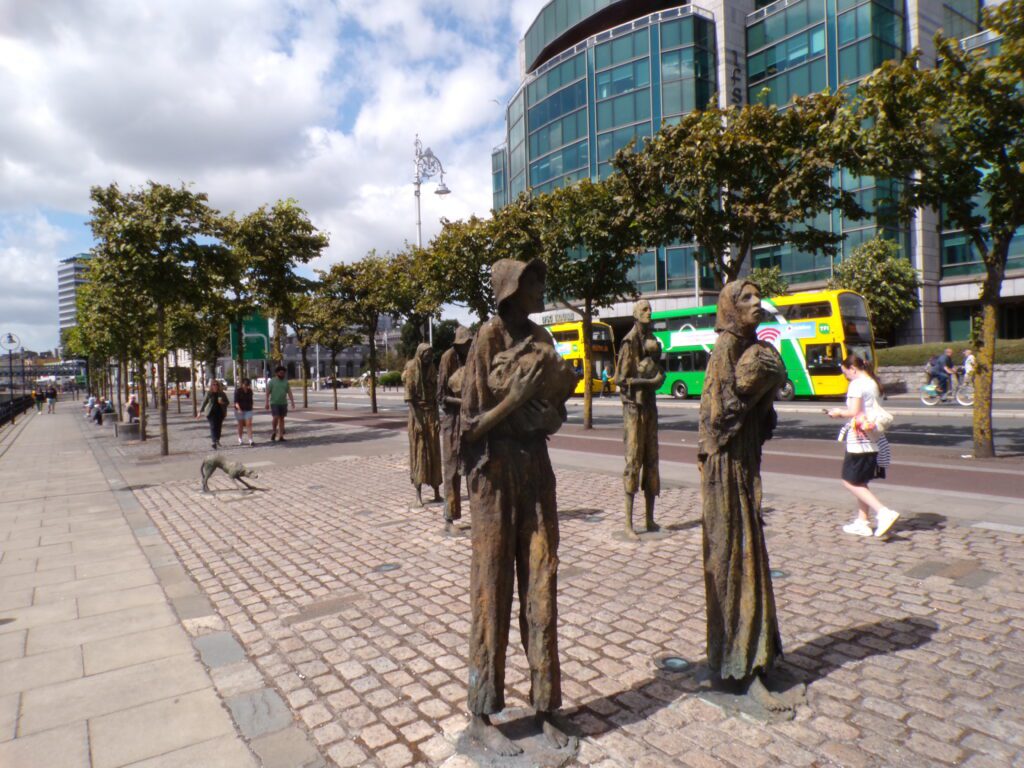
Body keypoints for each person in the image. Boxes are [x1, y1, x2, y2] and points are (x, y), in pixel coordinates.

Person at [460, 258, 576, 756]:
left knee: (541, 585)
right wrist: (514, 402)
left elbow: (554, 416)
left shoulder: (544, 339)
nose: (540, 289)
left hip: (535, 473)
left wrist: (549, 410)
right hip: (494, 481)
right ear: (511, 289)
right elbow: (468, 426)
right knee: (492, 591)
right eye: (533, 282)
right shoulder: (488, 339)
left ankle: (546, 704)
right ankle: (483, 712)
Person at [698, 280, 792, 714]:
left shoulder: (754, 347)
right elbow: (717, 422)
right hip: (724, 471)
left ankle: (755, 657)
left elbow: (764, 422)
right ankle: (741, 664)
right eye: (746, 299)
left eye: (758, 298)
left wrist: (768, 386)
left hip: (745, 468)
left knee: (750, 560)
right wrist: (754, 387)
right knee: (735, 562)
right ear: (729, 309)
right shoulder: (725, 352)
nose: (757, 304)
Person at [827, 354, 899, 538]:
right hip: (873, 438)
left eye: (846, 373)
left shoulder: (857, 384)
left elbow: (853, 411)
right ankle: (863, 522)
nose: (846, 377)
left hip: (859, 440)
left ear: (853, 369)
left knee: (849, 481)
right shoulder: (874, 383)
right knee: (861, 481)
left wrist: (836, 413)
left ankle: (883, 512)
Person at [616, 300, 665, 539]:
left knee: (652, 459)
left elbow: (659, 371)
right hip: (634, 409)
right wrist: (649, 382)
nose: (649, 312)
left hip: (650, 408)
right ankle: (628, 523)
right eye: (644, 309)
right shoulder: (629, 341)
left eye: (650, 309)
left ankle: (649, 519)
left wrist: (658, 379)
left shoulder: (653, 340)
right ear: (635, 314)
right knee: (633, 460)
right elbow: (621, 380)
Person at [437, 326, 473, 529]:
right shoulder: (447, 358)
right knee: (452, 470)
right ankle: (449, 518)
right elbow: (441, 397)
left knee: (472, 468)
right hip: (452, 421)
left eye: (469, 344)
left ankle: (477, 514)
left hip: (469, 420)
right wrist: (462, 402)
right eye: (464, 345)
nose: (467, 349)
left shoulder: (473, 356)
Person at [403, 343, 443, 506]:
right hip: (417, 414)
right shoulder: (412, 367)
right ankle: (418, 495)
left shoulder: (432, 367)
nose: (429, 358)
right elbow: (410, 399)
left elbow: (435, 398)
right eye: (426, 355)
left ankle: (436, 492)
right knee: (419, 452)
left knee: (434, 452)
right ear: (420, 354)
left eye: (431, 355)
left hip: (431, 414)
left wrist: (437, 418)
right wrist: (418, 421)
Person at [265, 366, 295, 442]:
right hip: (274, 403)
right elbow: (267, 392)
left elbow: (289, 392)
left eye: (283, 373)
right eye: (281, 373)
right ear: (277, 373)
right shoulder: (272, 381)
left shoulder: (285, 382)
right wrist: (267, 402)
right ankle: (274, 431)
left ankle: (281, 435)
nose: (282, 374)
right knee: (276, 417)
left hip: (283, 403)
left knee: (282, 419)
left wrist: (292, 402)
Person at [198, 379, 230, 449]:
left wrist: (222, 403)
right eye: (214, 384)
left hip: (220, 412)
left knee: (218, 427)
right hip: (211, 412)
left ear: (219, 386)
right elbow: (204, 402)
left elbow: (227, 402)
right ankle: (213, 442)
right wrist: (200, 412)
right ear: (211, 386)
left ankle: (217, 440)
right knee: (213, 426)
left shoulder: (222, 394)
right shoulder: (209, 393)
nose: (215, 386)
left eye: (216, 385)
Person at [234, 378, 255, 446]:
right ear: (242, 384)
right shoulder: (238, 391)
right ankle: (240, 439)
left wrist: (252, 408)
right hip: (239, 410)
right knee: (240, 425)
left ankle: (250, 440)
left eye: (248, 385)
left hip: (248, 409)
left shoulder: (250, 391)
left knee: (249, 424)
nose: (246, 386)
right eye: (245, 385)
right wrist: (239, 409)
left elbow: (251, 400)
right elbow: (236, 402)